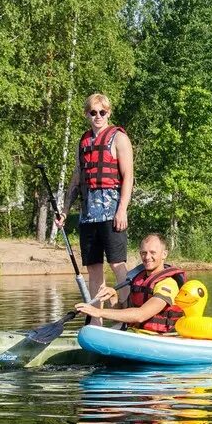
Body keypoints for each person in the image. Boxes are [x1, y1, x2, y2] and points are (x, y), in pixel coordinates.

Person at [65, 92, 133, 296]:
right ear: (87, 114)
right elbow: (77, 178)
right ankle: (96, 320)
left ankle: (126, 315)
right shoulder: (84, 142)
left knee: (117, 263)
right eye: (93, 112)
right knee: (93, 268)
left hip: (112, 213)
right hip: (88, 216)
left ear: (108, 113)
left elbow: (128, 177)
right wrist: (65, 211)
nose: (98, 116)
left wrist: (122, 210)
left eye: (102, 112)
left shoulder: (119, 138)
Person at [73, 233, 186, 333]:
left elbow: (140, 315)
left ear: (164, 254)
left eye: (152, 252)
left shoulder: (167, 284)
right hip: (138, 332)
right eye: (143, 253)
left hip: (159, 338)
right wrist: (114, 297)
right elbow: (123, 315)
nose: (147, 257)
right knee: (91, 333)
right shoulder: (139, 279)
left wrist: (98, 312)